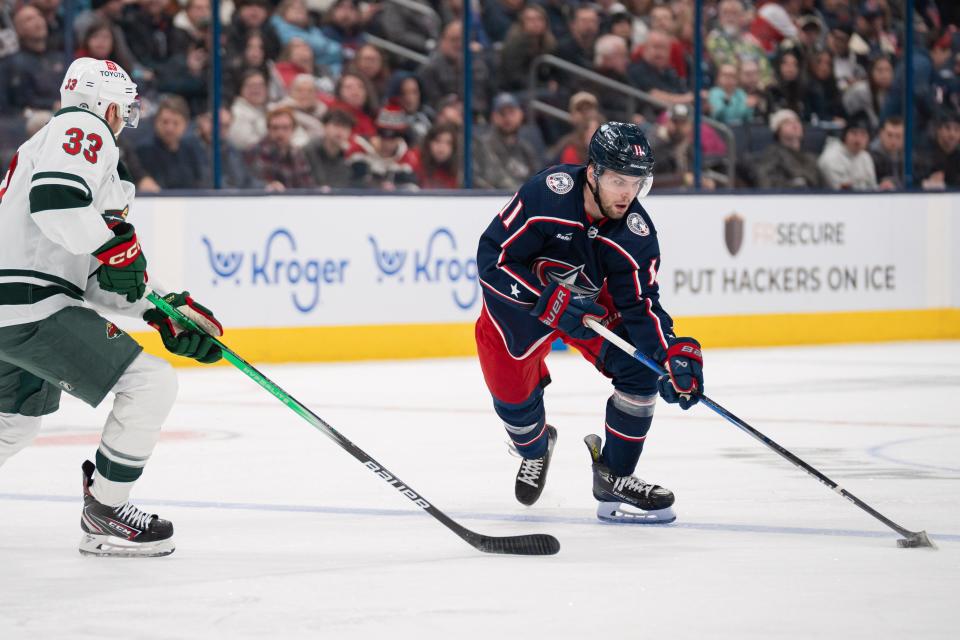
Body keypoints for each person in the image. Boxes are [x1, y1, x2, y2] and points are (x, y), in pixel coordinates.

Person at [0, 57, 223, 557]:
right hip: (31, 305)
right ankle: (105, 512)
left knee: (11, 423)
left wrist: (162, 308)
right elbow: (57, 203)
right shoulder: (83, 127)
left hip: (16, 305)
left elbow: (93, 272)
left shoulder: (65, 151)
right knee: (150, 382)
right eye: (123, 106)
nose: (125, 117)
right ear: (105, 103)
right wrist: (114, 244)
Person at [474, 121, 705, 522]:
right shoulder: (547, 194)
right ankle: (535, 448)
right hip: (517, 312)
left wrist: (669, 352)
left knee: (641, 370)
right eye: (618, 180)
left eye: (636, 182)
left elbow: (641, 305)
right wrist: (542, 300)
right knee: (515, 409)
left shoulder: (636, 232)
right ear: (593, 171)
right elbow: (492, 258)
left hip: (590, 312)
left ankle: (614, 476)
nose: (627, 194)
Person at [472, 92, 540, 190]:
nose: (507, 118)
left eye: (511, 112)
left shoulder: (526, 149)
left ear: (520, 115)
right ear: (493, 116)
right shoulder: (481, 146)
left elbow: (538, 181)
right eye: (502, 113)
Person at [754, 109, 824, 189]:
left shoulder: (811, 158)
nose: (795, 125)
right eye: (787, 122)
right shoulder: (772, 155)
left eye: (797, 121)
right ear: (778, 131)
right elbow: (766, 184)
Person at [817, 119, 877, 191]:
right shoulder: (831, 158)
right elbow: (841, 191)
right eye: (854, 133)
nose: (858, 139)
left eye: (863, 134)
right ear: (844, 135)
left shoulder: (865, 156)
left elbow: (873, 188)